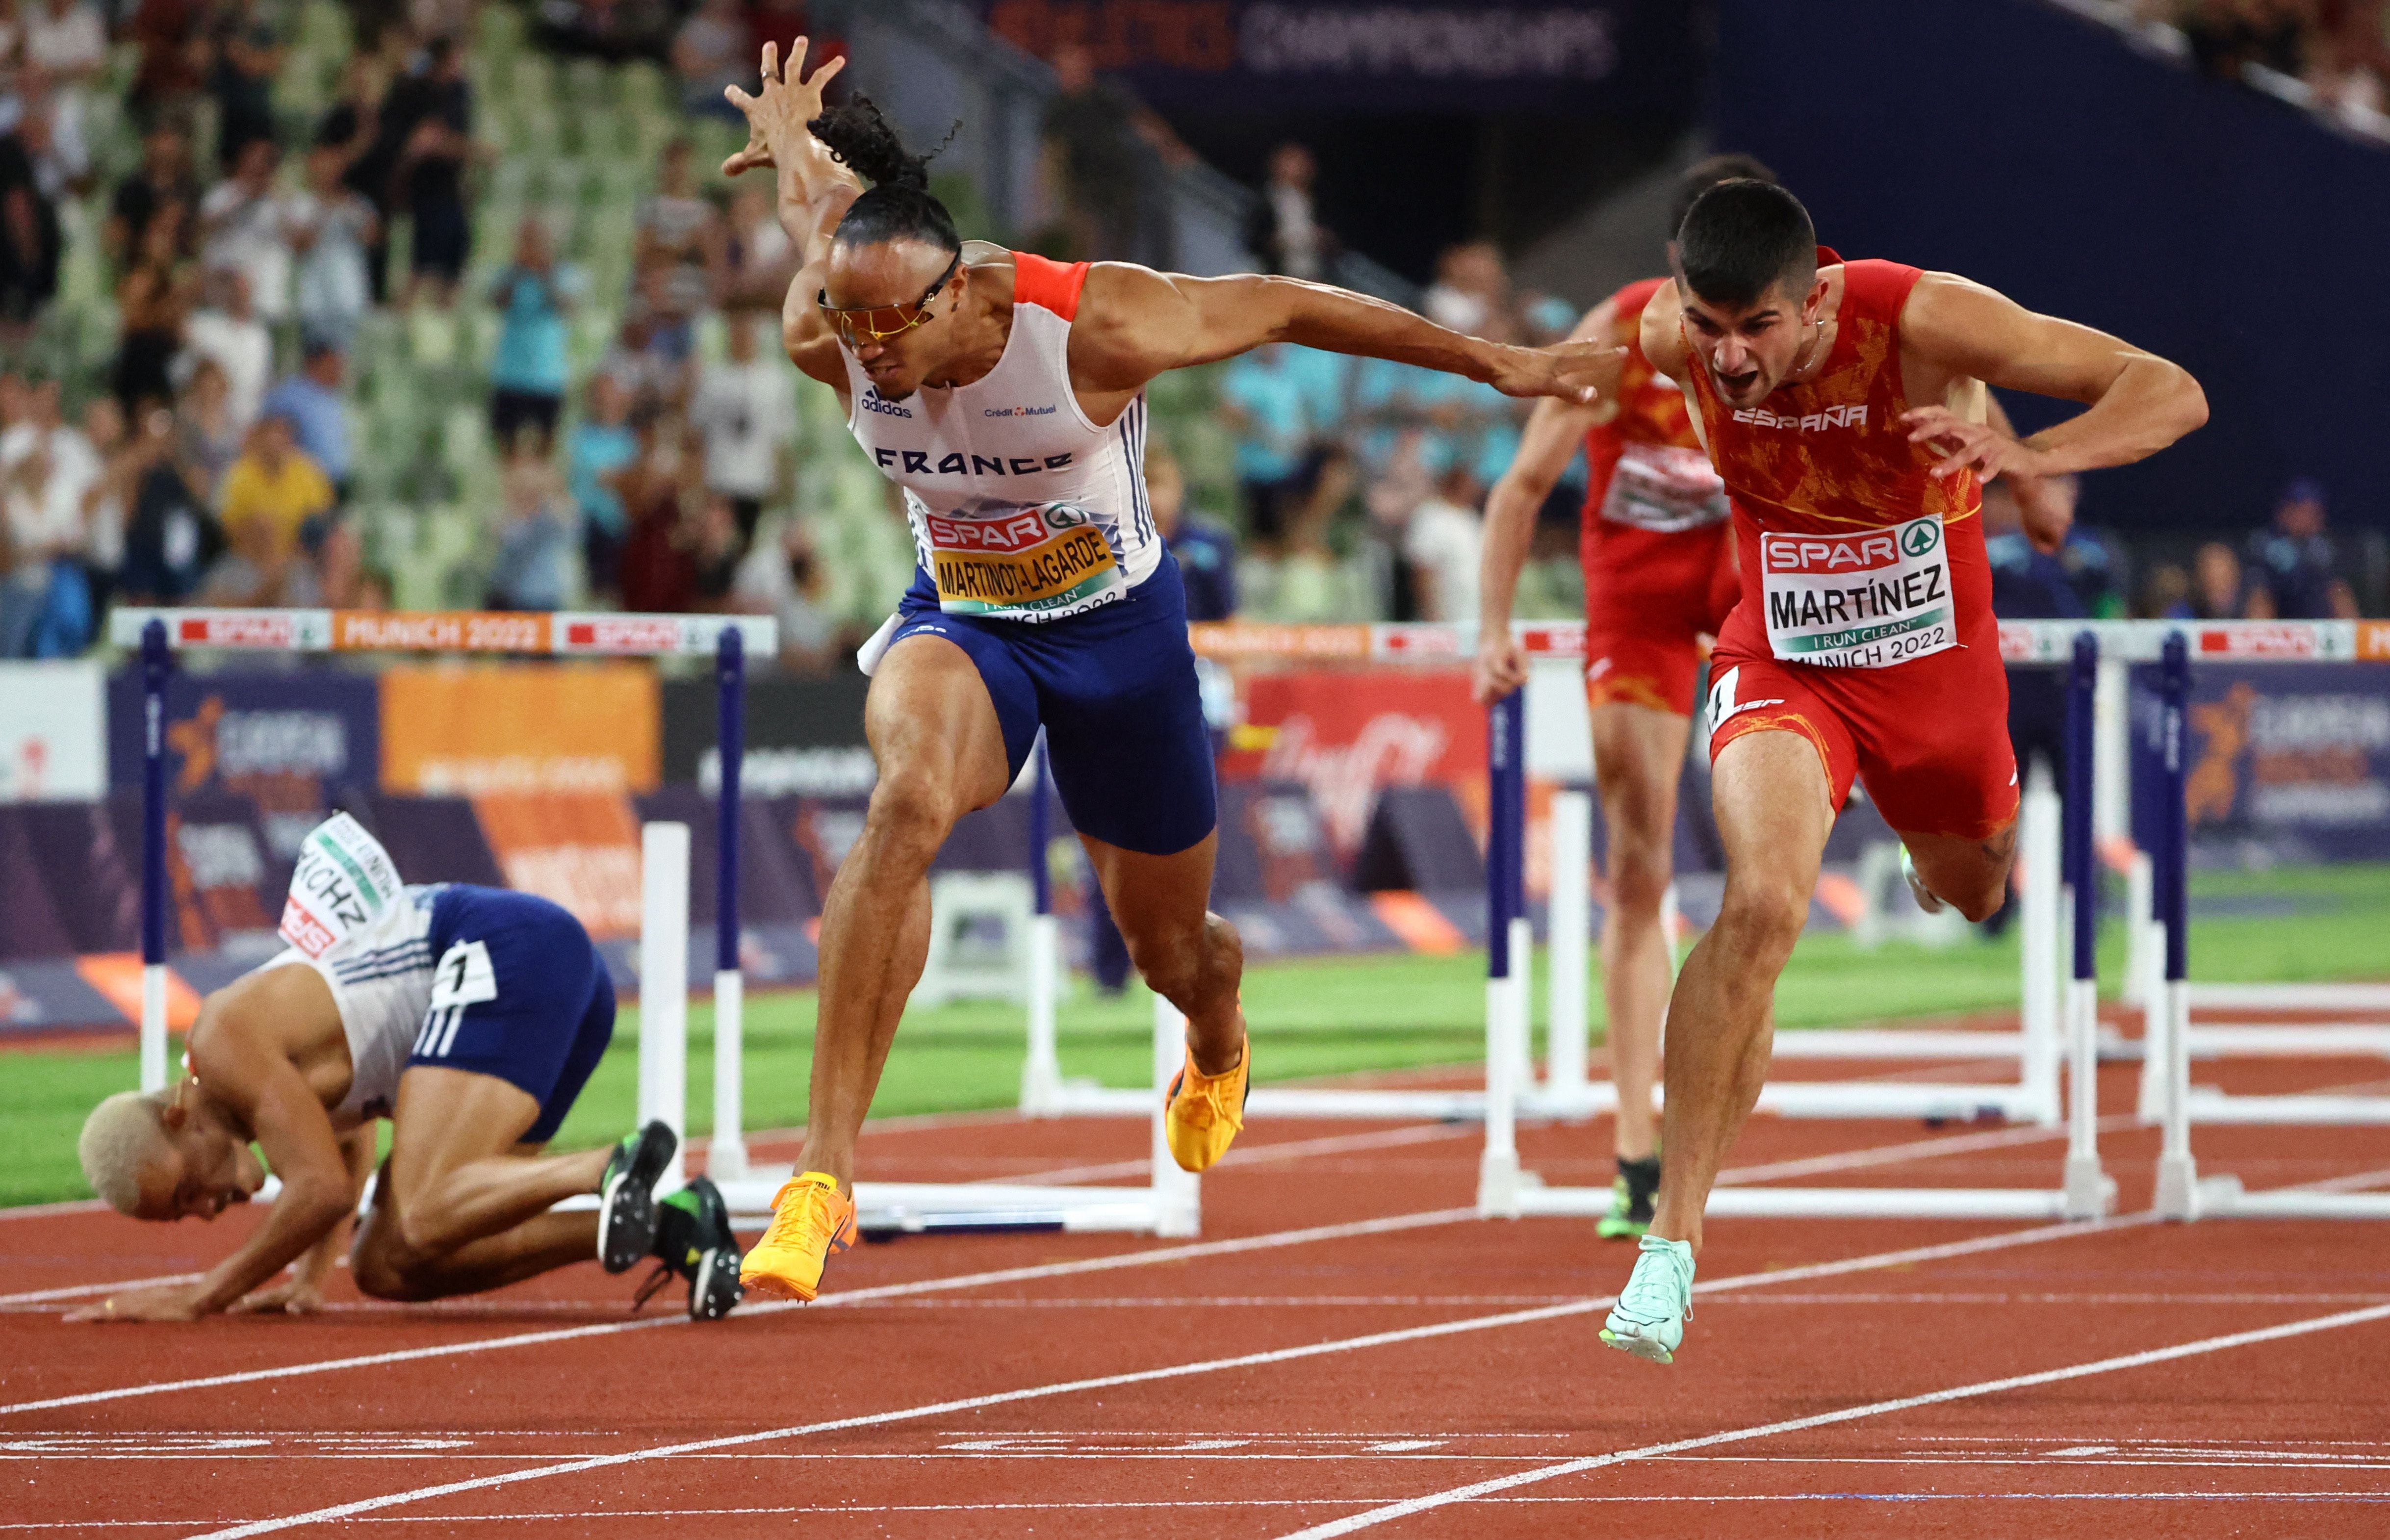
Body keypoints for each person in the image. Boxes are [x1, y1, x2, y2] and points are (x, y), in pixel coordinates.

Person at [717, 41, 1613, 1303]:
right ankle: (819, 1175)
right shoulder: (835, 324)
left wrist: (1500, 367)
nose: (864, 351)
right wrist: (799, 146)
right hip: (964, 619)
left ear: (961, 294)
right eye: (849, 323)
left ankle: (1218, 1030)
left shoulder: (1094, 321)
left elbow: (1295, 303)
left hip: (1119, 637)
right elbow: (823, 222)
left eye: (886, 324)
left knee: (1170, 946)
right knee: (905, 802)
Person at [1594, 180, 2207, 1365]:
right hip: (1784, 657)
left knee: (1977, 884)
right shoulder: (1673, 337)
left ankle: (1939, 849)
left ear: (1813, 297)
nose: (1726, 358)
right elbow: (1544, 377)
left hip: (1935, 673)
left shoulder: (1918, 318)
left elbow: (2167, 389)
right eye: (1706, 326)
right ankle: (1670, 1245)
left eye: (1755, 328)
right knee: (1761, 904)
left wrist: (2030, 453)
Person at [69, 815, 743, 1323]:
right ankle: (670, 1223)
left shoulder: (220, 1041)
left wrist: (204, 1294)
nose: (205, 1211)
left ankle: (603, 1168)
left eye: (187, 1189)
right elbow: (348, 1142)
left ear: (181, 1116)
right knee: (391, 1263)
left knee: (422, 1209)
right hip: (547, 977)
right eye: (183, 1216)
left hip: (502, 949)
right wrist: (309, 1279)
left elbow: (324, 1189)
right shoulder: (260, 1084)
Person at [1473, 154, 1772, 1242]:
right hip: (1639, 594)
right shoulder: (1617, 337)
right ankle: (1637, 1152)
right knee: (1639, 856)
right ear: (1671, 268)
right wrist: (1494, 633)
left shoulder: (1794, 335)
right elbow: (1518, 488)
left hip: (1747, 575)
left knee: (1765, 862)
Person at [686, 306, 794, 544]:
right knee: (719, 547)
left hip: (758, 481)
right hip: (720, 478)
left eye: (749, 333)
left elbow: (782, 440)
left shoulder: (775, 381)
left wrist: (783, 489)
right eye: (738, 332)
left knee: (750, 545)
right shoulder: (713, 378)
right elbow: (696, 433)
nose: (744, 339)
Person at [488, 215, 577, 452]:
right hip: (510, 374)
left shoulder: (564, 274)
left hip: (548, 377)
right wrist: (519, 272)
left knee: (546, 448)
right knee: (505, 447)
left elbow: (567, 309)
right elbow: (497, 302)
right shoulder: (508, 274)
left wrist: (545, 275)